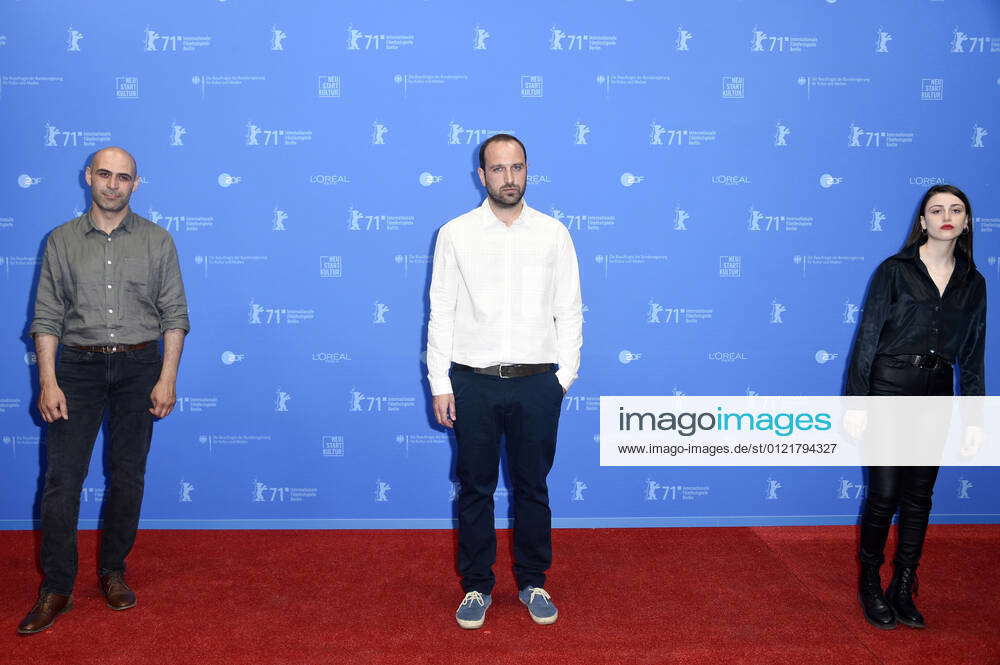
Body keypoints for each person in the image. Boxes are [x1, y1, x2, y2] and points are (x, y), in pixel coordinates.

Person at [18, 147, 190, 634]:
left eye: (124, 177)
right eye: (105, 175)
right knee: (61, 483)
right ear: (88, 177)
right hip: (76, 368)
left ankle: (113, 571)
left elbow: (174, 316)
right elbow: (47, 317)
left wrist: (168, 376)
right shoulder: (61, 241)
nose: (113, 185)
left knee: (127, 477)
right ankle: (57, 587)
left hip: (140, 367)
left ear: (137, 184)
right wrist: (47, 381)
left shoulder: (158, 241)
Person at [426, 134, 583, 629]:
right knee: (475, 488)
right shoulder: (455, 233)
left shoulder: (554, 233)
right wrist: (439, 382)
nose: (509, 178)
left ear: (528, 170)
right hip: (472, 382)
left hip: (538, 383)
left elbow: (570, 310)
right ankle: (476, 587)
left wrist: (563, 377)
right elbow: (441, 313)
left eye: (517, 168)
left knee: (532, 486)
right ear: (482, 176)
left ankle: (534, 580)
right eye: (498, 169)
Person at [844, 184, 986, 630]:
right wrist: (857, 401)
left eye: (956, 209)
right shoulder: (895, 270)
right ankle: (870, 579)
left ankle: (904, 584)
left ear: (966, 222)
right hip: (888, 388)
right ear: (922, 221)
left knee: (919, 497)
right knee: (884, 495)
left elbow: (975, 352)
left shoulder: (974, 282)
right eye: (937, 209)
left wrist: (975, 416)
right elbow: (868, 336)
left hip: (936, 394)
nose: (947, 215)